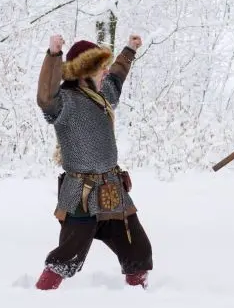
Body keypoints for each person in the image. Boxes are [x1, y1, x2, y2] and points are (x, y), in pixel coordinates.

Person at [34, 33, 153, 290]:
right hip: (81, 193)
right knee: (67, 257)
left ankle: (140, 299)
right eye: (101, 68)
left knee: (138, 250)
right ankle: (41, 298)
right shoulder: (63, 103)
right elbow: (45, 96)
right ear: (85, 71)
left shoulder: (102, 94)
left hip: (112, 189)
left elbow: (117, 78)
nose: (106, 72)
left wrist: (129, 51)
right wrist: (54, 56)